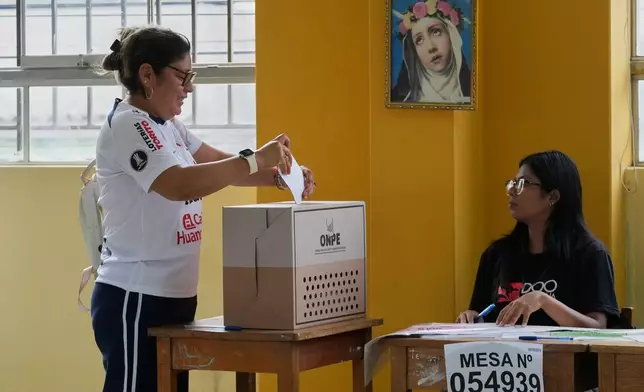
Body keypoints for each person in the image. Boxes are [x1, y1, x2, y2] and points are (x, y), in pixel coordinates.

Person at [90, 25, 316, 392]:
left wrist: (278, 176)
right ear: (148, 74)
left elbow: (217, 165)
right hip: (135, 295)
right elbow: (178, 184)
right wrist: (254, 159)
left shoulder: (168, 125)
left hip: (174, 295)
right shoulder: (129, 124)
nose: (189, 88)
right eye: (183, 76)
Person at [456, 150, 621, 328]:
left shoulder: (589, 253)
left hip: (562, 355)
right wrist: (472, 317)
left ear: (552, 197)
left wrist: (543, 300)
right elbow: (482, 313)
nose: (512, 191)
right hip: (507, 354)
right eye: (513, 183)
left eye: (523, 183)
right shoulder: (496, 255)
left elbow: (597, 327)